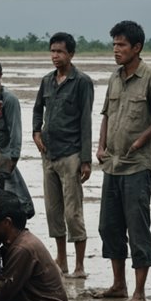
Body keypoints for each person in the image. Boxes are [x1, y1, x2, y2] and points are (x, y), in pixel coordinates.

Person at [95, 20, 151, 301]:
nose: (116, 50)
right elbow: (105, 114)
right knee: (109, 227)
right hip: (112, 165)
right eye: (114, 44)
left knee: (137, 228)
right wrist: (100, 146)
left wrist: (140, 141)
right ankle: (118, 284)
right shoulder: (115, 78)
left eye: (122, 45)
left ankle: (138, 292)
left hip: (137, 167)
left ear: (137, 48)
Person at [32, 33, 94, 277]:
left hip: (71, 154)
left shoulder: (82, 82)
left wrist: (86, 160)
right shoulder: (47, 81)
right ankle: (62, 260)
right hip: (48, 154)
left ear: (71, 54)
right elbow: (38, 109)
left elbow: (85, 121)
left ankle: (79, 265)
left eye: (60, 52)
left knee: (73, 212)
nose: (55, 56)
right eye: (52, 51)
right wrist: (36, 132)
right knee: (53, 210)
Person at [0, 57, 35, 219]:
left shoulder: (9, 100)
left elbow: (15, 137)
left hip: (3, 162)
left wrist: (9, 164)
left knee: (10, 208)